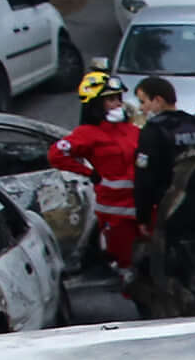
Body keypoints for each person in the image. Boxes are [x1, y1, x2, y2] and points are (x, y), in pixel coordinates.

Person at [50, 72, 141, 272]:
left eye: (118, 98)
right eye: (110, 99)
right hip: (115, 211)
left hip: (144, 205)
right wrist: (88, 172)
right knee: (127, 263)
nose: (117, 103)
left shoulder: (132, 130)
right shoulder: (87, 134)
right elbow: (56, 155)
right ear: (96, 104)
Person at [129, 78, 195, 271]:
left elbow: (144, 178)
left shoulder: (154, 130)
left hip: (175, 207)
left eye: (143, 102)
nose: (141, 108)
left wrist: (143, 217)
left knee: (176, 265)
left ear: (158, 101)